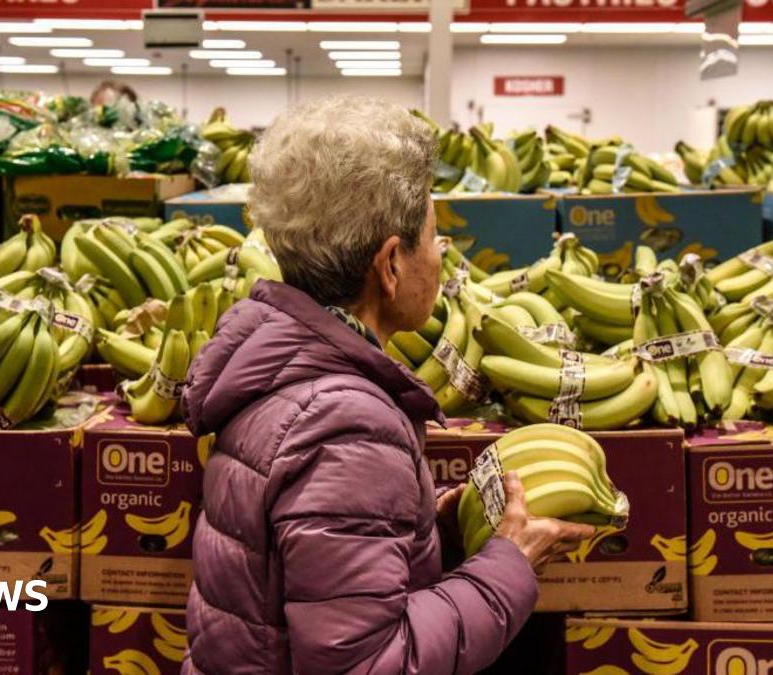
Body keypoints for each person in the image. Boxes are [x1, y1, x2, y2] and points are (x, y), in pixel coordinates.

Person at [181, 96, 596, 674]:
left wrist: (432, 539)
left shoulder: (280, 374)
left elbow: (301, 586)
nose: (441, 255)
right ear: (390, 264)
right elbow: (368, 664)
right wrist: (509, 567)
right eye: (433, 235)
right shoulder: (347, 424)